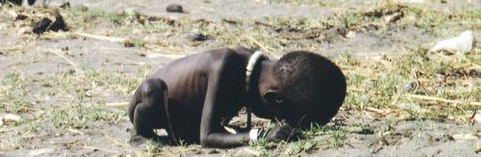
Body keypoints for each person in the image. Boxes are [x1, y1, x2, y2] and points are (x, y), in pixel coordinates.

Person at [128, 47, 347, 148]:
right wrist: (258, 135)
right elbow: (208, 136)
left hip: (186, 118)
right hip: (154, 103)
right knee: (152, 91)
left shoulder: (258, 71)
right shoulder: (225, 67)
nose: (277, 122)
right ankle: (139, 135)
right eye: (280, 117)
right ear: (274, 99)